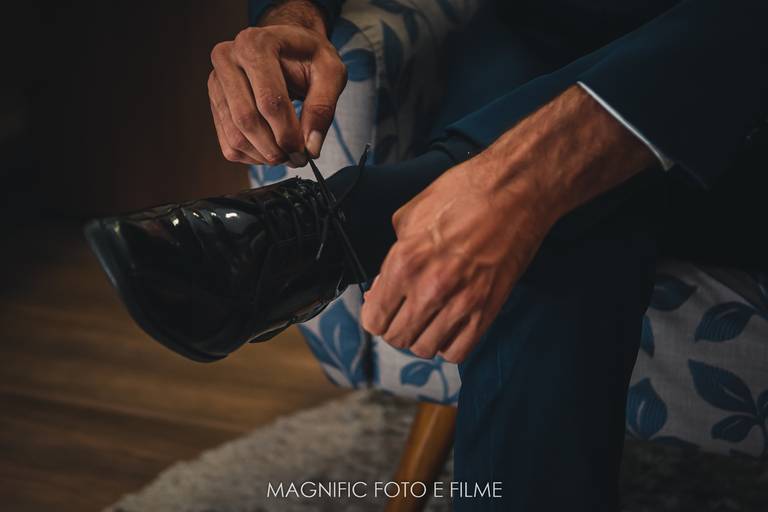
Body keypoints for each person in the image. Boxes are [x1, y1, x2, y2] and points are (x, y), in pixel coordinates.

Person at [86, 1, 768, 510]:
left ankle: (341, 222)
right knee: (527, 213)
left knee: (538, 221)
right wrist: (288, 16)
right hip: (537, 41)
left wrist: (523, 179)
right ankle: (373, 212)